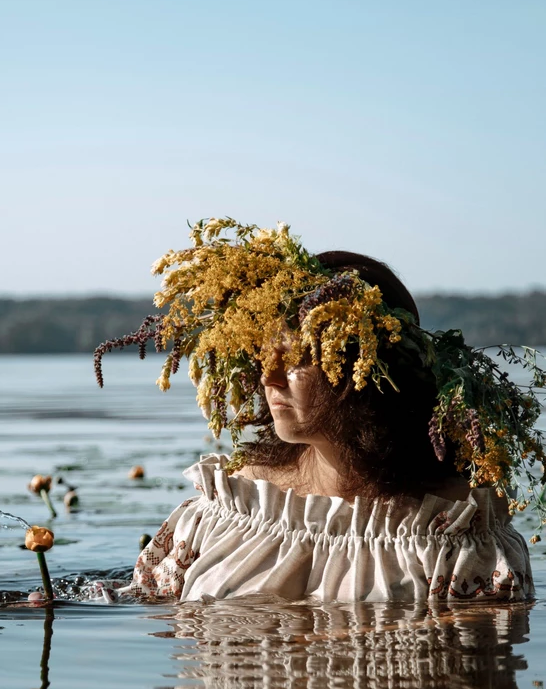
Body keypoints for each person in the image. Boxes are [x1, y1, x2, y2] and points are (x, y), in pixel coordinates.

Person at [93, 218, 544, 604]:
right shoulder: (232, 504)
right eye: (260, 356)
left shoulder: (452, 532)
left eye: (293, 362)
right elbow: (145, 604)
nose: (267, 378)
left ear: (360, 373)